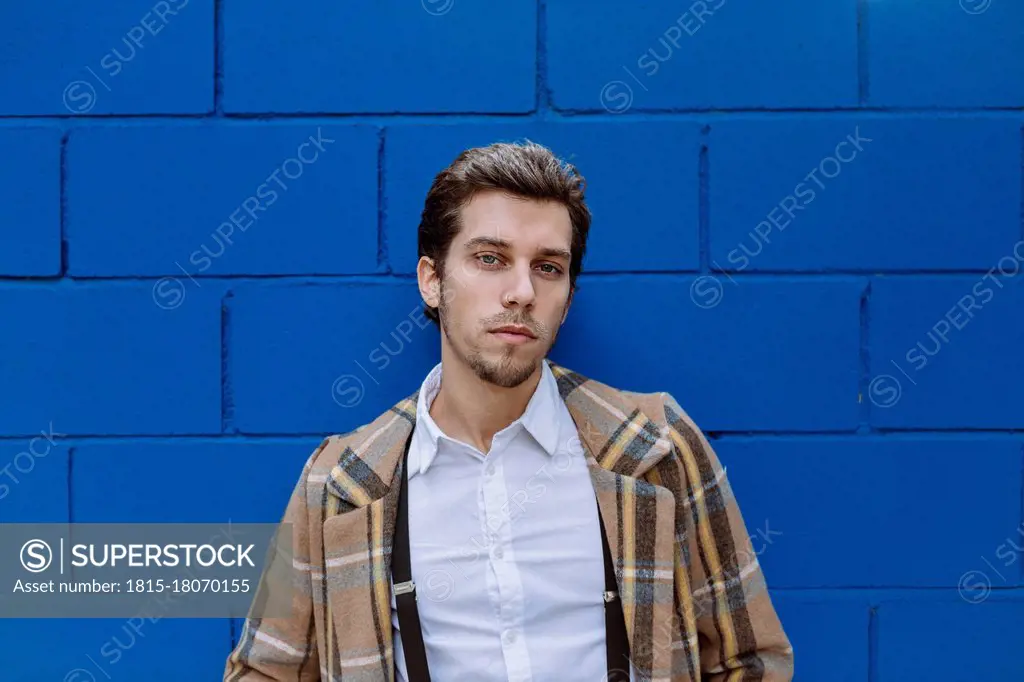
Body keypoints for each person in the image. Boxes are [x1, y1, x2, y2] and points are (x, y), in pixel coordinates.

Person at [223, 140, 794, 681]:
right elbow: (263, 670)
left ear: (568, 297)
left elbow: (751, 659)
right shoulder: (340, 485)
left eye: (548, 267)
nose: (521, 291)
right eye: (491, 258)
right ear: (431, 281)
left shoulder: (656, 447)